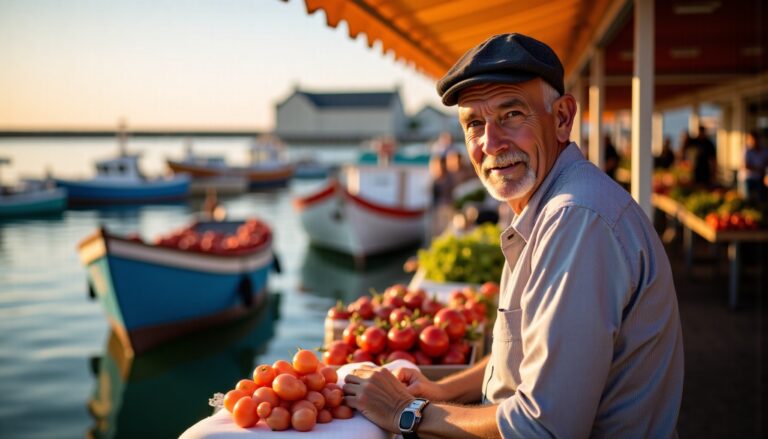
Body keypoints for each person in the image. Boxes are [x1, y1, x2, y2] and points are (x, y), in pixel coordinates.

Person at [343, 33, 684, 438]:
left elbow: (544, 427)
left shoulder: (575, 220)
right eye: (474, 123)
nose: (490, 143)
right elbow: (528, 354)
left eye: (511, 115)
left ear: (561, 118)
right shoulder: (550, 204)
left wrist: (407, 410)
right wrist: (441, 389)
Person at [740, 130, 768, 202]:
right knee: (747, 199)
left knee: (760, 199)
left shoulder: (764, 150)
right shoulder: (746, 150)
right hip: (748, 179)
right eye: (751, 139)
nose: (754, 141)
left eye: (756, 139)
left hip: (760, 179)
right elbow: (745, 165)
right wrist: (759, 169)